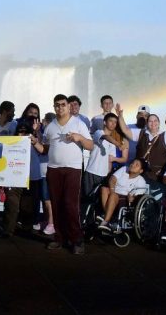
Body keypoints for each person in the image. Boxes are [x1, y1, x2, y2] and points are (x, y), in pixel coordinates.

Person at [43, 94, 93, 255]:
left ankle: (77, 240)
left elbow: (91, 145)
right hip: (53, 169)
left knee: (70, 205)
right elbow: (45, 148)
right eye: (57, 105)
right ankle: (59, 238)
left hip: (73, 168)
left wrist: (79, 138)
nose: (60, 107)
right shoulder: (50, 126)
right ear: (54, 107)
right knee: (56, 204)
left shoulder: (79, 124)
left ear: (68, 106)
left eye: (63, 104)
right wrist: (35, 142)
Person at [83, 113, 128, 201]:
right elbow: (106, 137)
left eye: (115, 122)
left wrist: (108, 173)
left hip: (103, 175)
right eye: (111, 121)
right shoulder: (98, 133)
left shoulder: (112, 142)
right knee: (88, 198)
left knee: (98, 200)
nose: (113, 124)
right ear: (104, 122)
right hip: (92, 171)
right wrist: (118, 144)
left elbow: (109, 160)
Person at [97, 159, 148, 233]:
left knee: (113, 196)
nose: (133, 165)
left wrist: (132, 197)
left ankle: (106, 221)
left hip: (124, 198)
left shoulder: (141, 181)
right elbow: (112, 179)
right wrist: (112, 191)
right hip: (113, 192)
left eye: (136, 165)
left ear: (141, 171)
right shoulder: (124, 169)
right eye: (133, 163)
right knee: (104, 189)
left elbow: (136, 197)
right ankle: (108, 215)